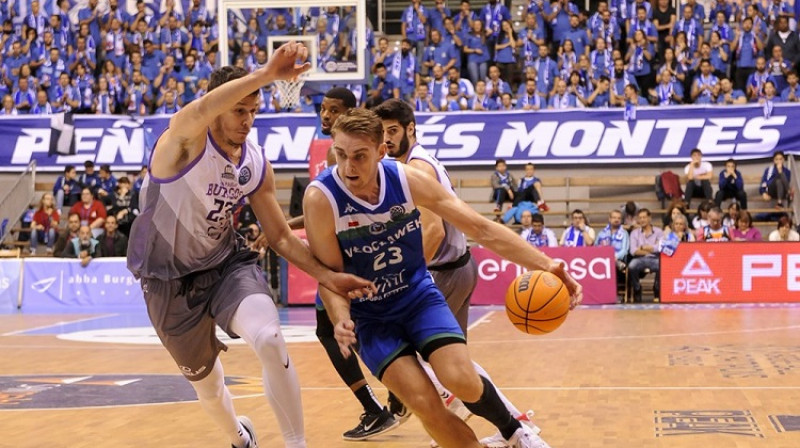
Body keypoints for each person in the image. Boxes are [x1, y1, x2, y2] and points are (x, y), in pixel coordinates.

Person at [126, 42, 374, 448]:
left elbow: (278, 236)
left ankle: (296, 443)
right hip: (166, 279)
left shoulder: (255, 163)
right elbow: (195, 112)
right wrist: (265, 74)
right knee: (208, 387)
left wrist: (329, 277)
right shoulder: (181, 144)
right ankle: (240, 438)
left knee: (270, 338)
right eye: (240, 110)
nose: (248, 120)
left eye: (254, 111)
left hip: (226, 266)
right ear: (218, 107)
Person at [303, 108, 581, 448]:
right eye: (341, 155)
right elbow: (331, 278)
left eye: (359, 156)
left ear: (380, 151)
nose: (348, 167)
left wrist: (547, 265)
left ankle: (514, 430)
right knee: (425, 404)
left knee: (461, 379)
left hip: (416, 296)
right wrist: (341, 317)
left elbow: (481, 228)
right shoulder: (321, 198)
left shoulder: (407, 179)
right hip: (370, 317)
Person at [374, 99, 543, 445]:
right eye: (383, 132)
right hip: (457, 266)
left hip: (442, 271)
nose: (387, 139)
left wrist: (404, 279)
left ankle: (507, 426)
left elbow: (433, 232)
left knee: (428, 358)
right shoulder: (412, 162)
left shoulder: (417, 167)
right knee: (451, 359)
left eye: (393, 131)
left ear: (411, 129)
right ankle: (510, 424)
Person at [628, 208, 663, 302]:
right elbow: (633, 251)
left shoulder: (659, 231)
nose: (642, 220)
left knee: (662, 265)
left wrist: (642, 248)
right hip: (639, 259)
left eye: (644, 217)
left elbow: (660, 248)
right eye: (640, 218)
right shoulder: (634, 233)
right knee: (631, 266)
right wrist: (649, 249)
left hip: (655, 258)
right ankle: (637, 288)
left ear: (649, 218)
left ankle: (657, 288)